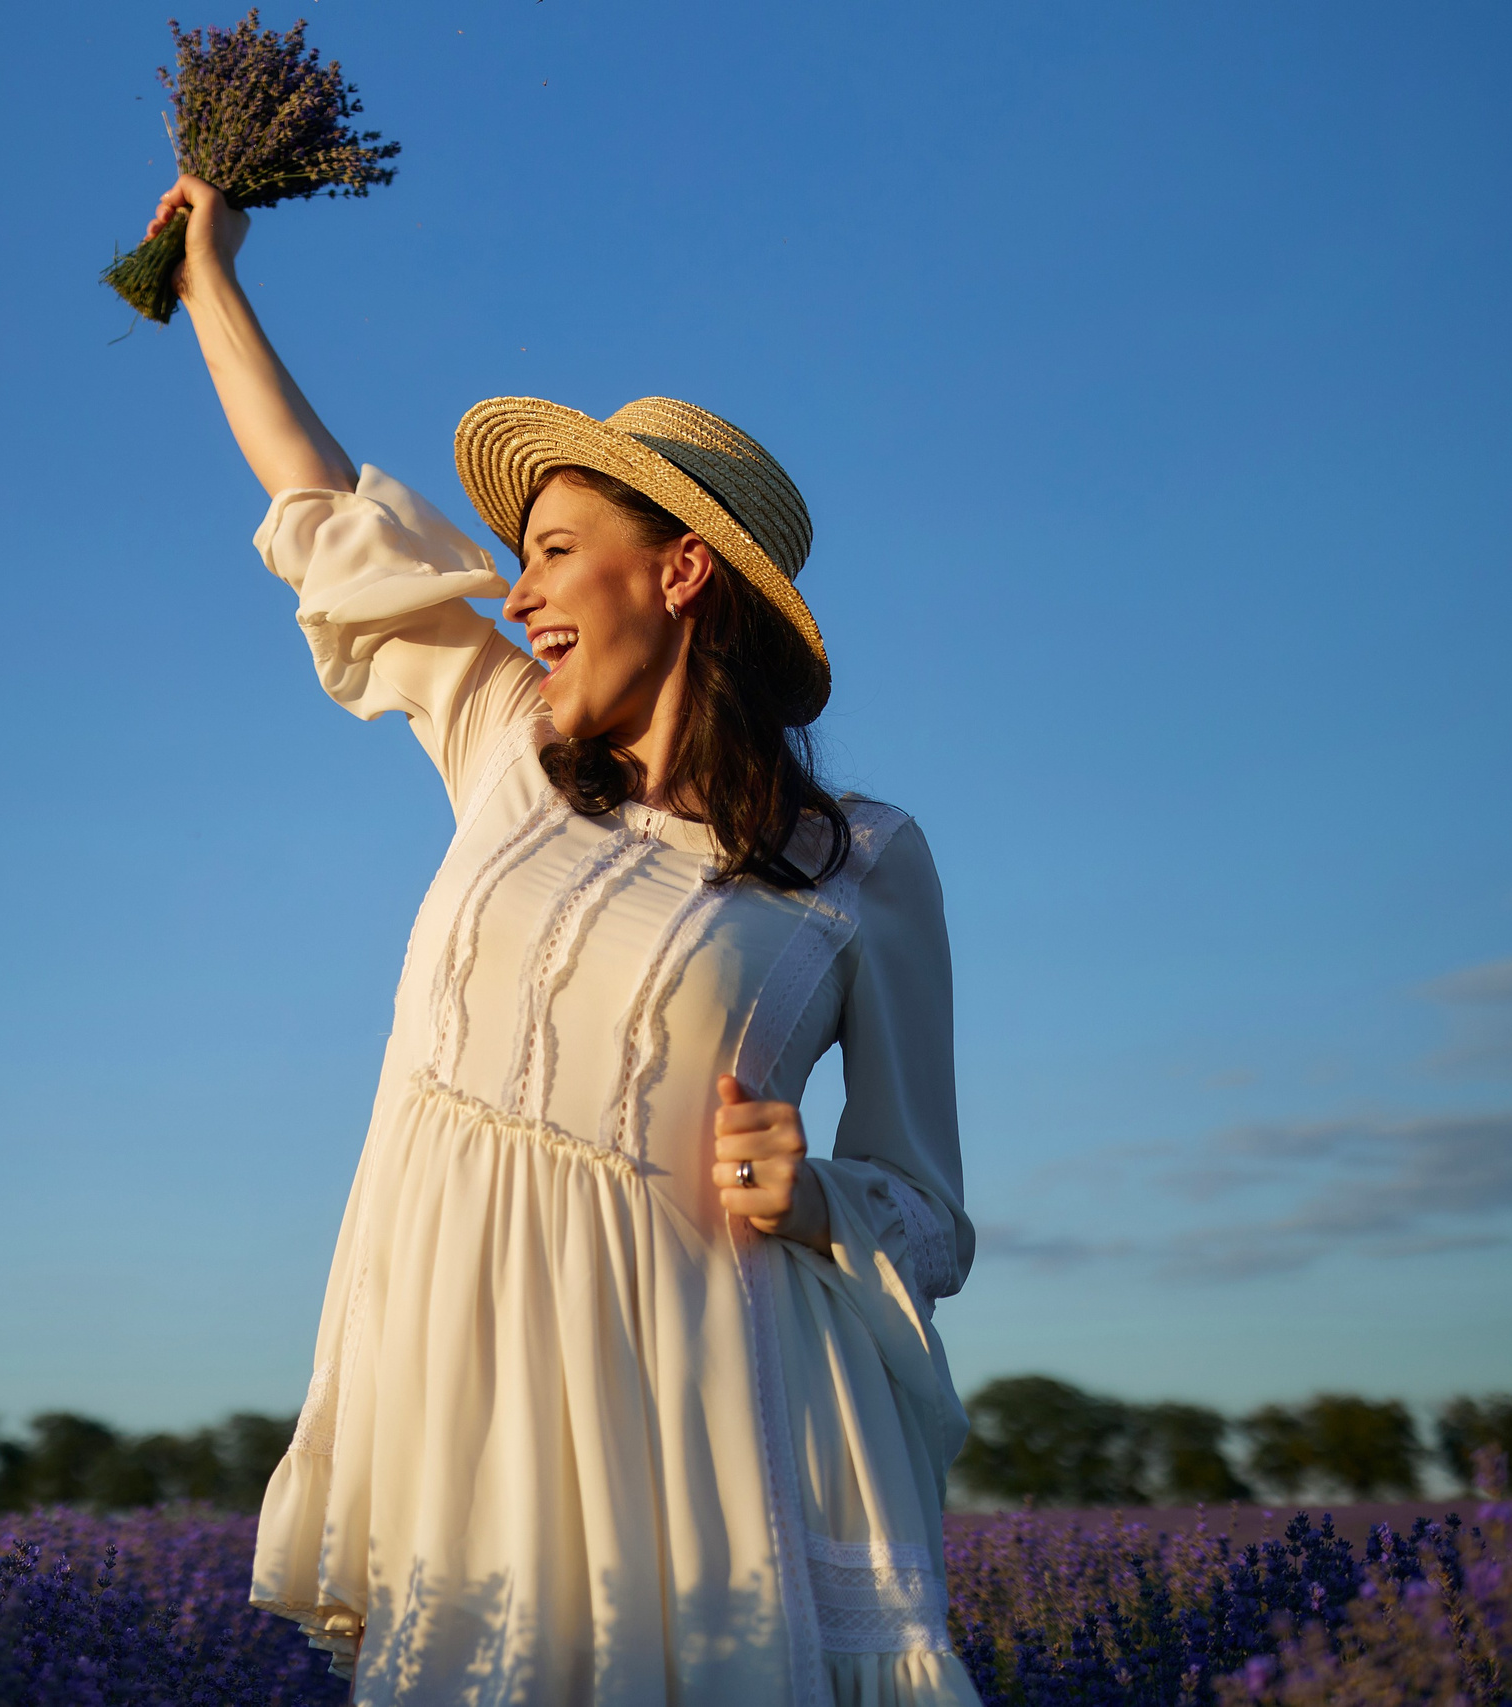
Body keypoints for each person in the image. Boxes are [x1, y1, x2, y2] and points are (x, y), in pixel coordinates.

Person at [146, 175, 980, 1707]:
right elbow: (321, 513)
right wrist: (209, 277)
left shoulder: (860, 863)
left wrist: (818, 1197)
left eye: (548, 549)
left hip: (706, 1428)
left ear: (679, 573)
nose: (515, 590)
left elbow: (932, 1214)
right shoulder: (505, 746)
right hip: (477, 1414)